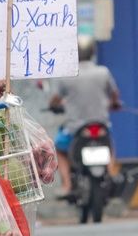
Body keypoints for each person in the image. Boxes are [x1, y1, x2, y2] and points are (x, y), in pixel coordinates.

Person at [48, 35, 122, 197]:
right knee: (109, 145)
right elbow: (114, 93)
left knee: (59, 149)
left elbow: (55, 99)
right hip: (100, 125)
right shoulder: (103, 72)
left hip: (75, 129)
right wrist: (115, 103)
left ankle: (67, 185)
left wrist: (53, 106)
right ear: (92, 52)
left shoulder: (67, 76)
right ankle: (111, 174)